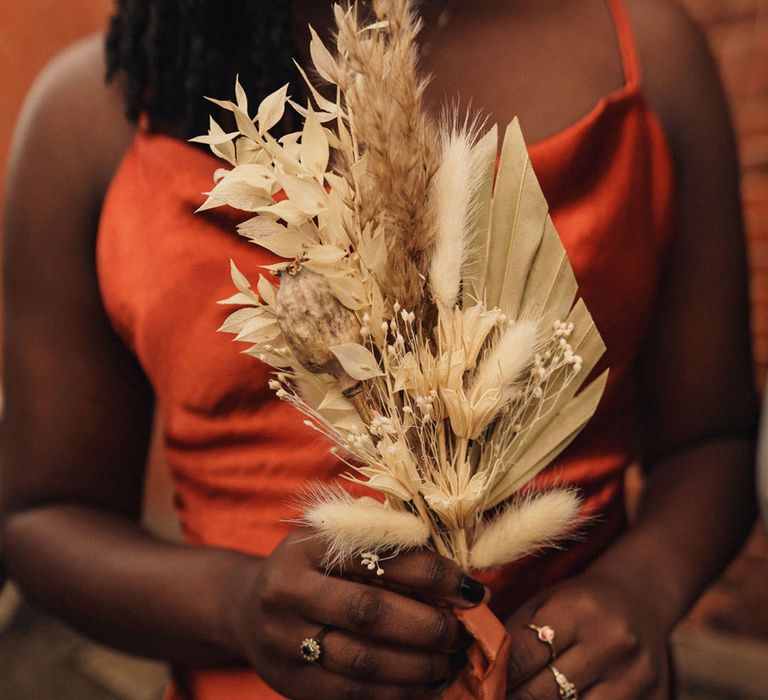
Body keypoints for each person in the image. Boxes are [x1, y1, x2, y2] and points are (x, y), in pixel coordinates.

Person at [1, 1, 758, 699]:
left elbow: (713, 443)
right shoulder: (84, 125)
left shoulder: (650, 55)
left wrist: (643, 590)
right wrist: (235, 608)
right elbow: (41, 517)